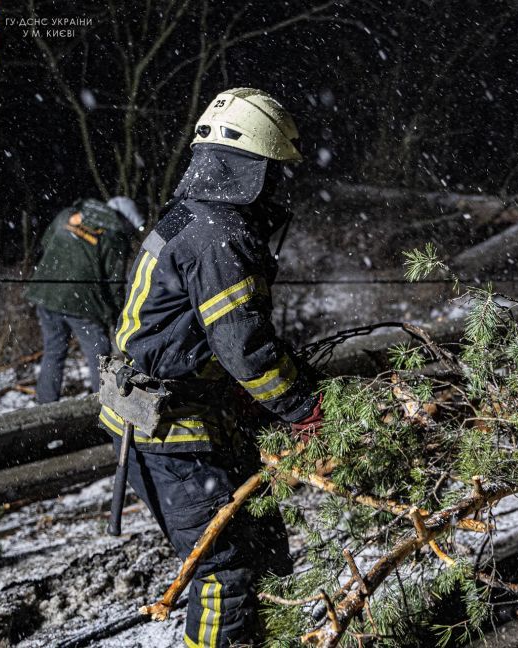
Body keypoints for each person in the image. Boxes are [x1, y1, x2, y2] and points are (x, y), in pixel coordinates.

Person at [97, 88, 323, 647]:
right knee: (226, 570)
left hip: (193, 414)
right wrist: (305, 407)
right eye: (274, 173)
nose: (278, 187)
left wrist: (248, 396)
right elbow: (246, 348)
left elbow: (201, 339)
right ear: (251, 169)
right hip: (170, 429)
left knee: (265, 548)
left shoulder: (198, 221)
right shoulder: (218, 236)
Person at [26, 196, 143, 403]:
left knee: (53, 352)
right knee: (100, 357)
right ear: (125, 219)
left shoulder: (69, 214)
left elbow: (46, 243)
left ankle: (44, 406)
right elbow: (114, 283)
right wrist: (117, 318)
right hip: (83, 304)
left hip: (46, 294)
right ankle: (103, 406)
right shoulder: (114, 235)